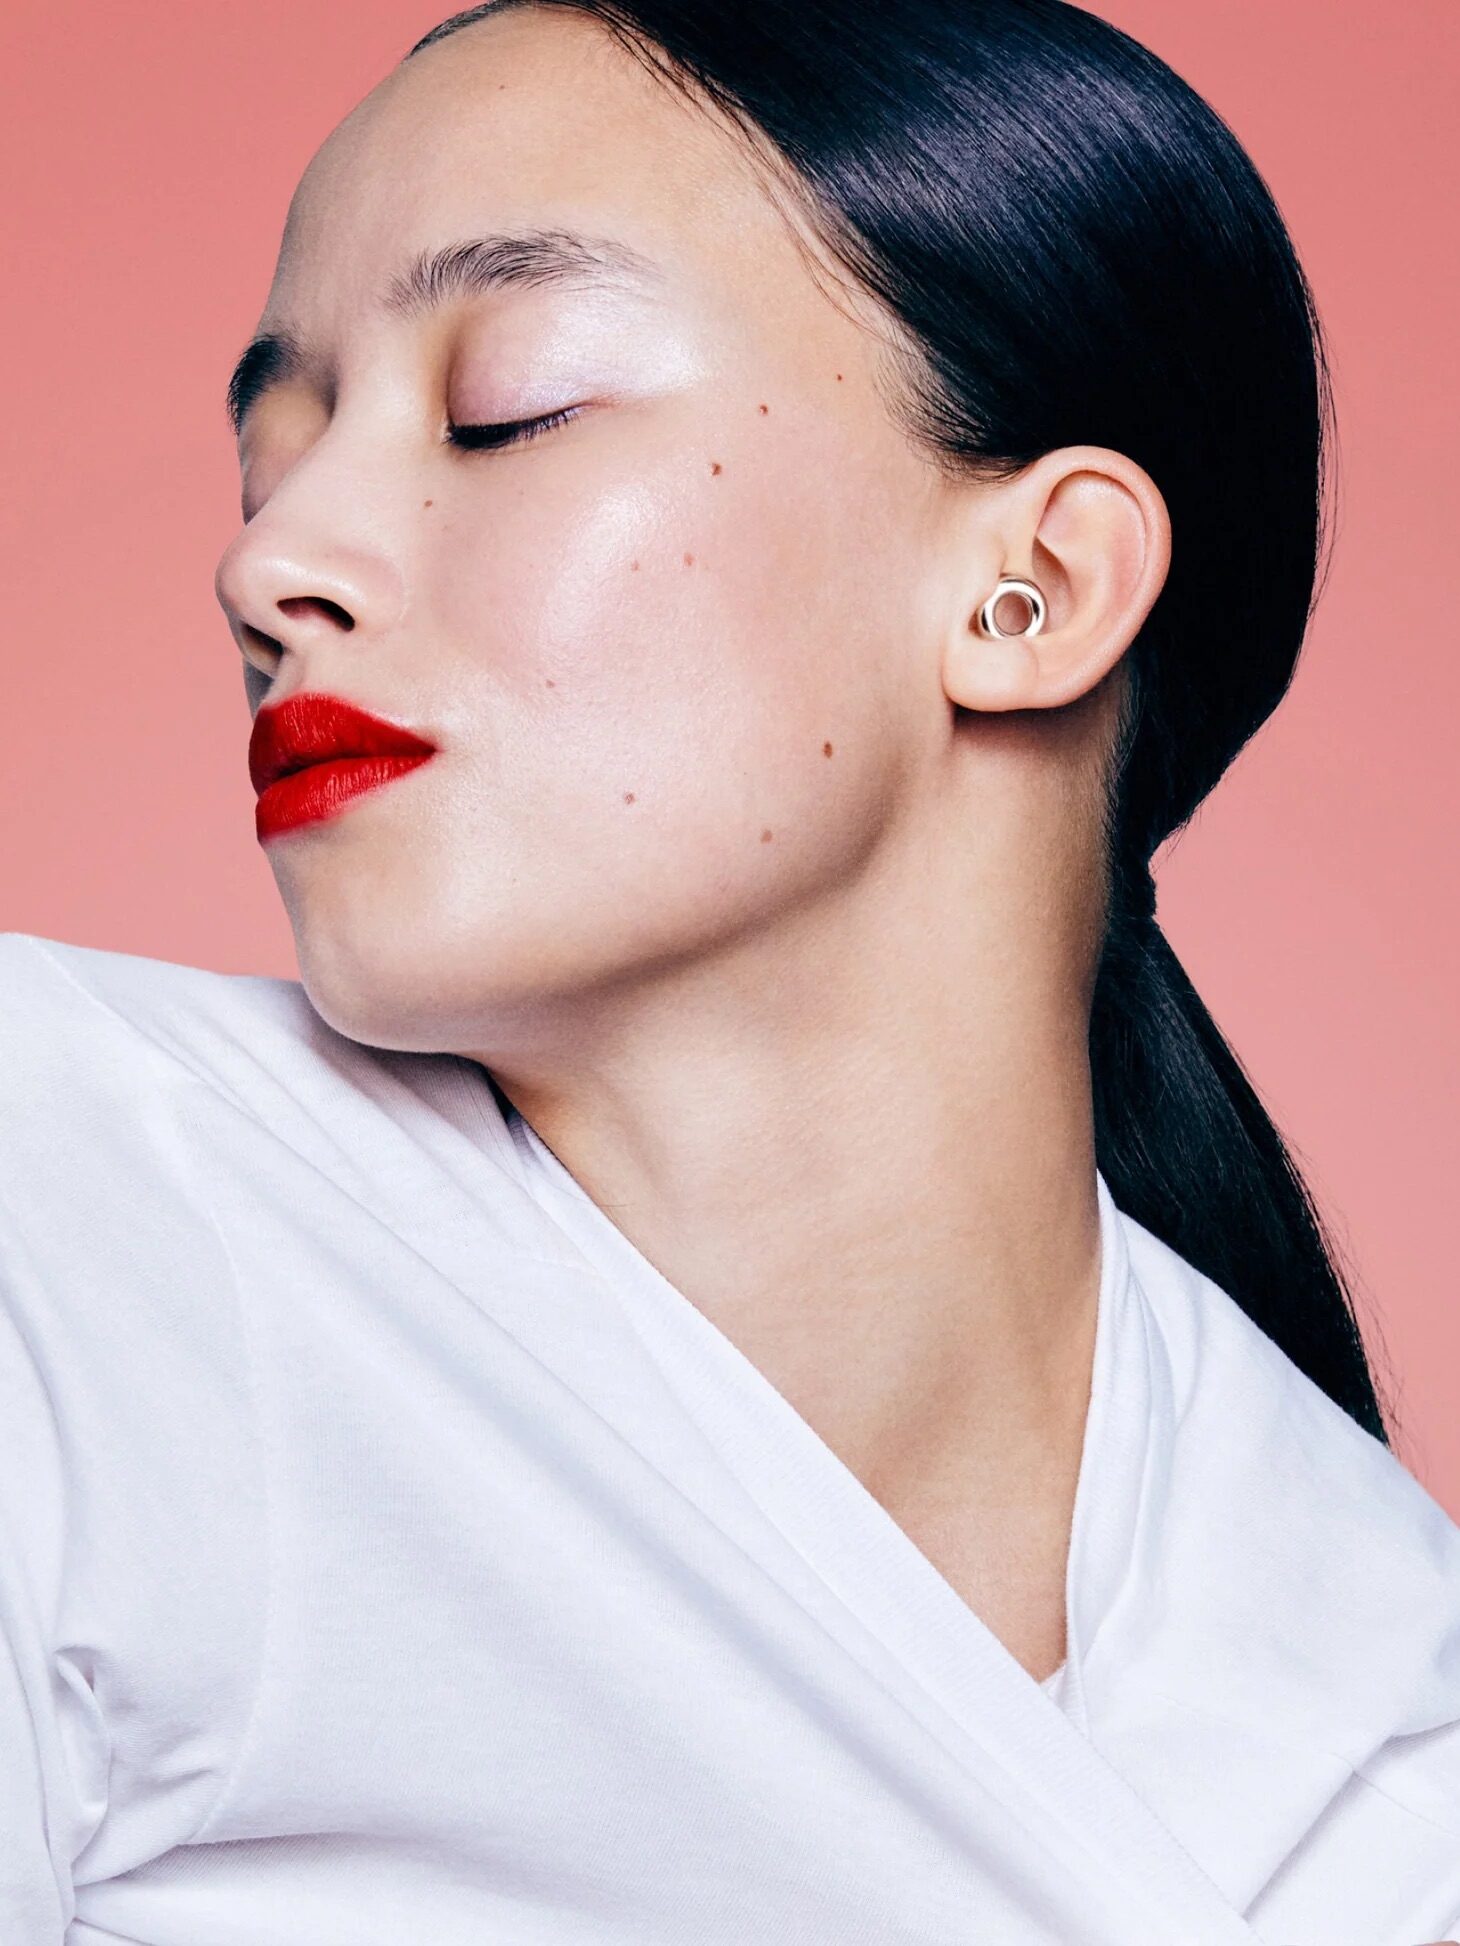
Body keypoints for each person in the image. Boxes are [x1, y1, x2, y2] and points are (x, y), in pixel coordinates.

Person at [2, 1, 1457, 1939]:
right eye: (272, 455)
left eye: (502, 405)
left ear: (1027, 592)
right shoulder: (71, 1218)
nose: (272, 566)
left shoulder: (1383, 1709)